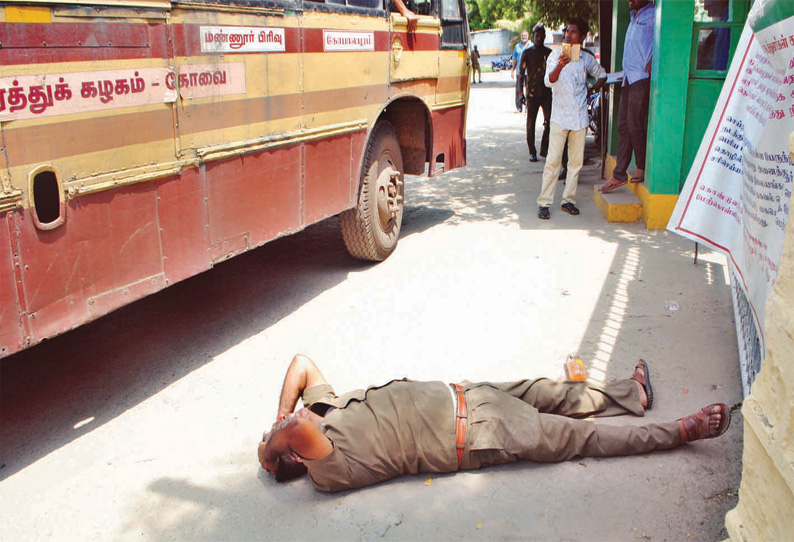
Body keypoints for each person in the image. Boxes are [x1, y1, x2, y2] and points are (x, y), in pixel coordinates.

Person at [258, 354, 731, 493]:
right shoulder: (328, 469)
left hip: (470, 393)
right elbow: (292, 432)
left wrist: (280, 419)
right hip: (480, 435)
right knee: (580, 437)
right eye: (285, 432)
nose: (297, 415)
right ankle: (679, 432)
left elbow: (303, 365)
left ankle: (634, 394)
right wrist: (268, 449)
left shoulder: (321, 413)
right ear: (295, 454)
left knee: (555, 390)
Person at [537, 17, 606, 219]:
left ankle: (569, 201)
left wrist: (593, 88)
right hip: (559, 116)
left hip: (580, 118)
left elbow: (602, 75)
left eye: (573, 32)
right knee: (553, 162)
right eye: (567, 30)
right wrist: (560, 66)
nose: (568, 34)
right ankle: (544, 203)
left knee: (575, 163)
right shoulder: (555, 55)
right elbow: (548, 81)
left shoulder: (587, 58)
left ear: (583, 37)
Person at [600, 0, 654, 194]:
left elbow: (667, 40)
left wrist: (654, 58)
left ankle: (640, 166)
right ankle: (619, 174)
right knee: (623, 125)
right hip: (628, 78)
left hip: (641, 77)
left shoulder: (654, 15)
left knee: (635, 124)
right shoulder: (634, 17)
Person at [518, 25, 553, 162]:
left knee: (550, 121)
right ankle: (532, 151)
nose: (539, 38)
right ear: (533, 37)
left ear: (544, 37)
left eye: (541, 36)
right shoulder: (527, 53)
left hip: (547, 94)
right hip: (532, 94)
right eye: (536, 36)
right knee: (530, 124)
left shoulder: (549, 53)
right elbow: (521, 75)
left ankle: (544, 148)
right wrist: (520, 93)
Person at [510, 30, 530, 113]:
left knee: (529, 90)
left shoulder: (531, 46)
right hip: (519, 72)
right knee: (519, 90)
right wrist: (512, 71)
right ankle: (519, 107)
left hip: (529, 72)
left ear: (528, 36)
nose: (524, 37)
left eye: (525, 36)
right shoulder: (517, 47)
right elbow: (515, 60)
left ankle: (529, 107)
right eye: (522, 36)